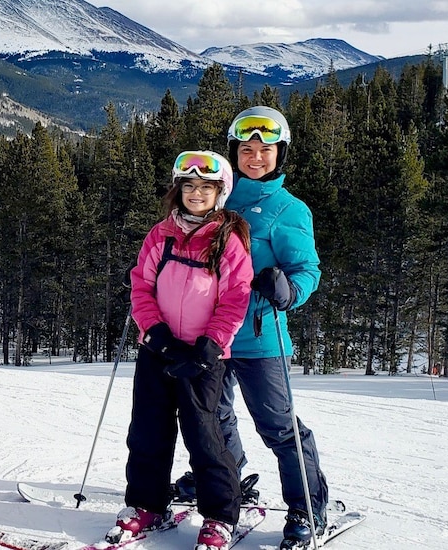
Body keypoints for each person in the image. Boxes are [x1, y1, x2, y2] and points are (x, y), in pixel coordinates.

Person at [174, 106, 328, 548]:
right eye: (246, 148)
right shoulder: (219, 198)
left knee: (277, 425)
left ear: (280, 154)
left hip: (261, 336)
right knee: (214, 418)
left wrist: (288, 290)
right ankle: (227, 480)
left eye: (265, 149)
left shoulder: (288, 209)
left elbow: (307, 270)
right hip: (211, 336)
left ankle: (307, 505)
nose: (255, 157)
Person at [115, 151, 253, 550]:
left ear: (219, 193)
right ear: (178, 190)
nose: (195, 193)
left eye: (205, 188)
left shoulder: (227, 240)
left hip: (202, 358)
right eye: (189, 186)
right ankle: (146, 504)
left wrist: (211, 346)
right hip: (158, 350)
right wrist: (156, 334)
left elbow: (235, 297)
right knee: (147, 431)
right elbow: (141, 285)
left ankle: (219, 516)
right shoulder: (161, 234)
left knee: (205, 435)